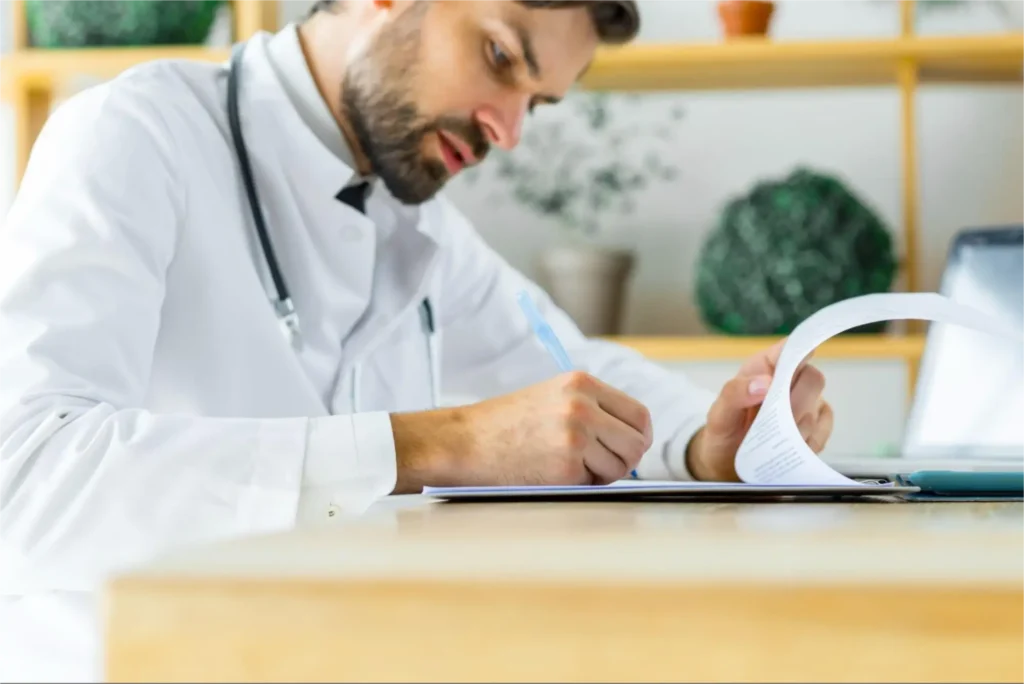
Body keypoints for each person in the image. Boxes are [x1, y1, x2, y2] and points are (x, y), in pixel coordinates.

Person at [0, 0, 833, 679]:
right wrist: (439, 445)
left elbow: (568, 367)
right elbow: (22, 478)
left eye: (536, 102)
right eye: (502, 58)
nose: (509, 130)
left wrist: (705, 443)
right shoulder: (133, 134)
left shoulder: (414, 220)